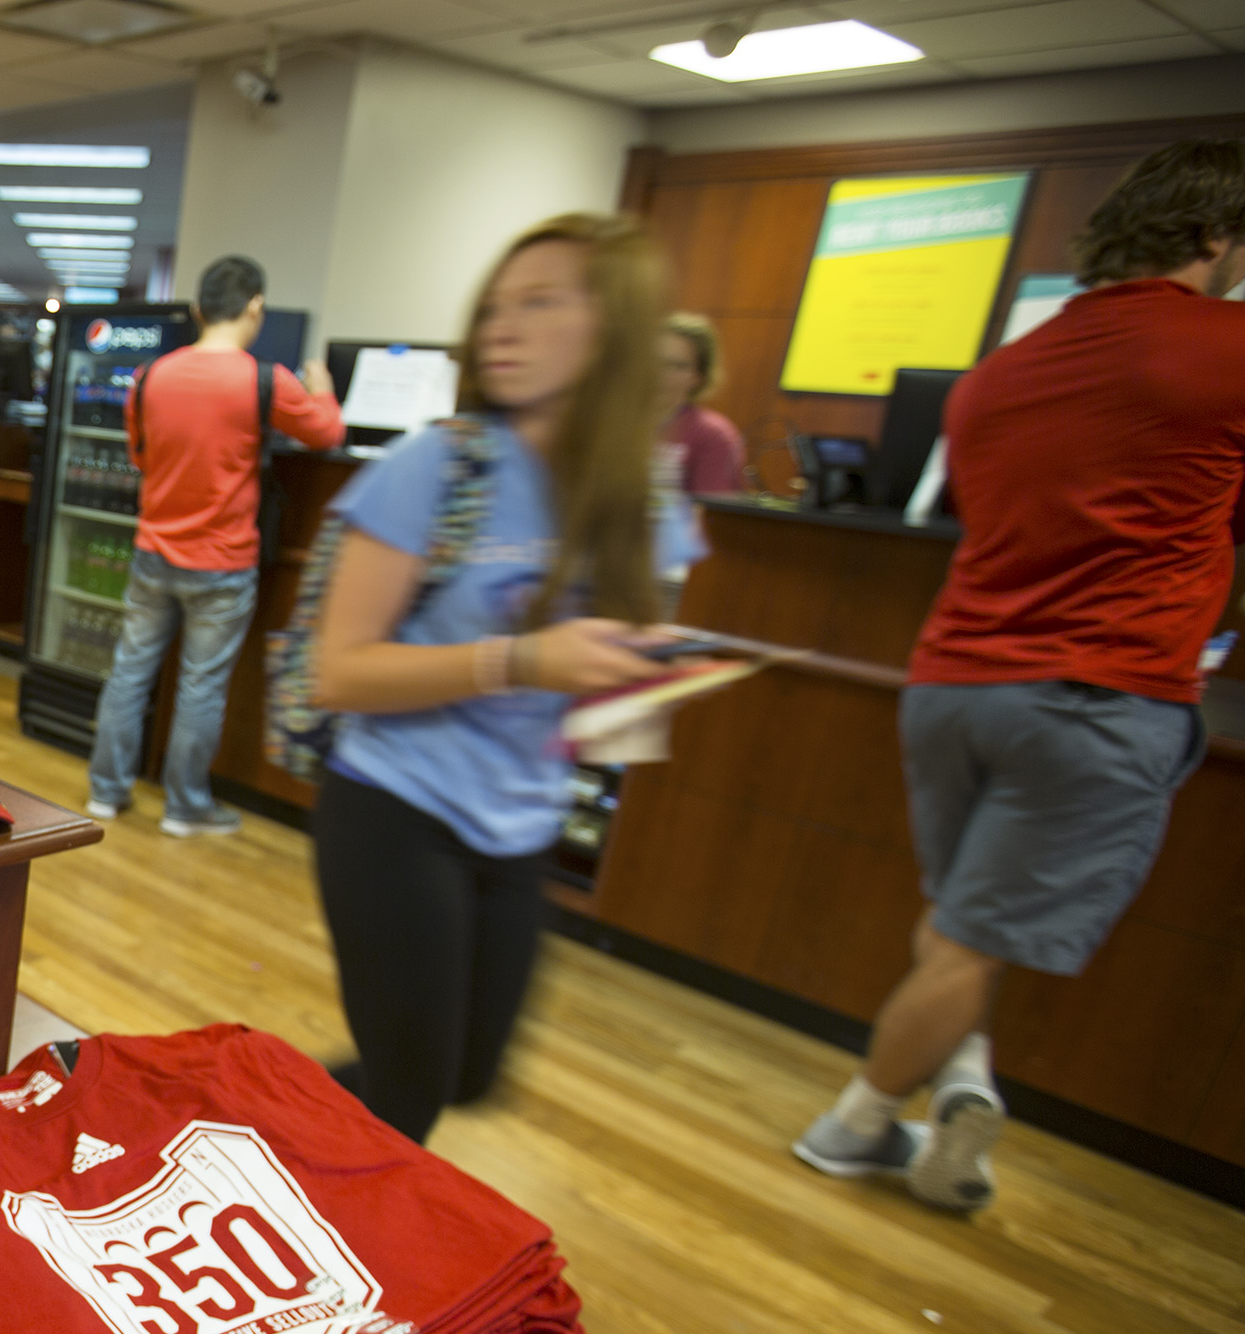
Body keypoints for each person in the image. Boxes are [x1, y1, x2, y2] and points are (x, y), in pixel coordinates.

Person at [794, 139, 1245, 1211]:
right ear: (1217, 239)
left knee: (957, 916)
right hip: (1096, 694)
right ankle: (851, 1128)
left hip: (955, 685)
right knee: (966, 940)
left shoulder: (1005, 371)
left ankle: (960, 1083)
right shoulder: (1226, 344)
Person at [307, 213, 697, 1144]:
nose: (501, 328)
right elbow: (339, 671)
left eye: (540, 302)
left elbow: (626, 698)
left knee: (467, 1075)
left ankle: (241, 1105)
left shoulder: (644, 493)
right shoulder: (438, 467)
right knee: (412, 1090)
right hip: (395, 806)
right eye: (495, 306)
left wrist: (649, 683)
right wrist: (522, 660)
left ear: (615, 328)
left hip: (522, 819)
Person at [86, 255, 344, 837]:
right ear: (256, 307)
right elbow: (327, 433)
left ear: (199, 309)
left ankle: (106, 791)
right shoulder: (264, 380)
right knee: (200, 685)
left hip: (154, 550)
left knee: (130, 671)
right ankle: (184, 807)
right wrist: (322, 391)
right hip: (222, 563)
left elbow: (140, 454)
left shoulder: (151, 377)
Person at [657, 312, 745, 496]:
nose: (659, 373)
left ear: (699, 377)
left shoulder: (713, 434)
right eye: (655, 361)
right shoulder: (611, 421)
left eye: (676, 366)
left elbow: (712, 515)